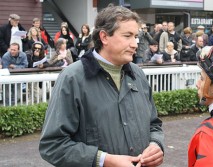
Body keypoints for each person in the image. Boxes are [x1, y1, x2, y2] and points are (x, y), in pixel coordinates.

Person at [39, 4, 164, 167]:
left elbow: (154, 124)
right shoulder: (72, 78)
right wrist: (104, 160)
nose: (135, 44)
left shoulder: (138, 74)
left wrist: (156, 144)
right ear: (104, 37)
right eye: (128, 36)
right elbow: (52, 145)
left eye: (136, 36)